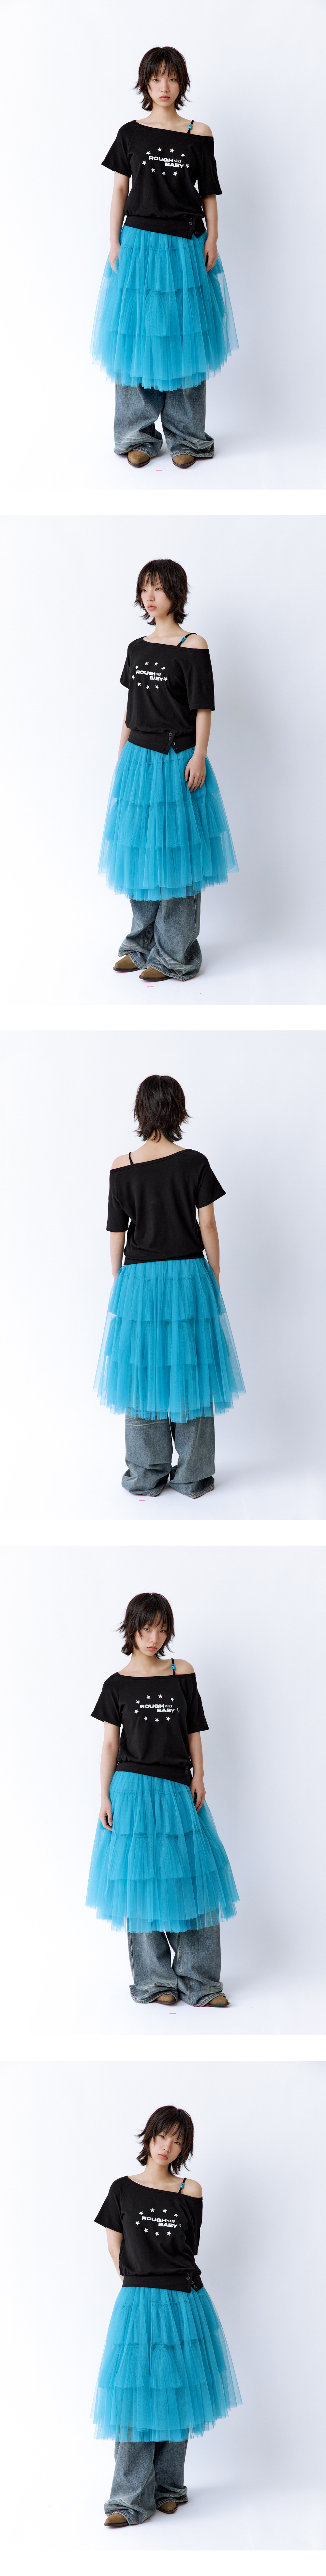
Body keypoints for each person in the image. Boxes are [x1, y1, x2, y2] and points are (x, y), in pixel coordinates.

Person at [94, 1072, 245, 1498]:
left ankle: (146, 1473)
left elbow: (116, 1231)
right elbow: (208, 1225)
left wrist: (119, 1277)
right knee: (190, 1369)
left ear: (141, 1112)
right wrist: (215, 1272)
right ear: (179, 1111)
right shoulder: (194, 1162)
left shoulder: (121, 1167)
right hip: (188, 1275)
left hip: (139, 1279)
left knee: (142, 1372)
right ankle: (193, 1476)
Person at [86, 1589, 239, 2008]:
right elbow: (110, 1745)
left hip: (176, 1787)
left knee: (191, 1879)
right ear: (132, 1630)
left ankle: (201, 1982)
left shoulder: (181, 1671)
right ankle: (155, 1982)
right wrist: (104, 1795)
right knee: (141, 1883)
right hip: (131, 1789)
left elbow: (193, 1729)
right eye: (146, 1629)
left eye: (162, 1630)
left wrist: (199, 1775)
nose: (154, 1638)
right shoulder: (115, 1685)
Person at [92, 2103, 241, 2526]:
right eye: (163, 2136)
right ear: (150, 2137)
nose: (168, 2146)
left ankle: (169, 2488)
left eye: (178, 2141)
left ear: (184, 2149)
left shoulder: (189, 2190)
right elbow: (115, 2246)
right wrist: (138, 2279)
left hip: (183, 2299)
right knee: (135, 2398)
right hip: (139, 2300)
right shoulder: (122, 2189)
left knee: (177, 2393)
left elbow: (188, 2247)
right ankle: (127, 2501)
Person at [91, 45, 238, 466]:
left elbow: (208, 192)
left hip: (186, 243)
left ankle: (188, 437)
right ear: (146, 83)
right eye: (156, 78)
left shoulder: (199, 133)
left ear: (182, 83)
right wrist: (114, 241)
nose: (164, 87)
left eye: (172, 78)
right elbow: (120, 189)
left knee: (185, 337)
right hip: (139, 243)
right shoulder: (130, 133)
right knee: (137, 336)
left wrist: (213, 238)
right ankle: (137, 436)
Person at [99, 558, 238, 984]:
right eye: (145, 589)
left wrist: (200, 755)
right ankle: (139, 945)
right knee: (141, 854)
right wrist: (121, 756)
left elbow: (202, 708)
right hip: (139, 760)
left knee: (178, 859)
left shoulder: (193, 646)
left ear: (176, 593)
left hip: (178, 759)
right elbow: (131, 710)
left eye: (158, 588)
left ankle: (175, 954)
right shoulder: (137, 648)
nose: (150, 596)